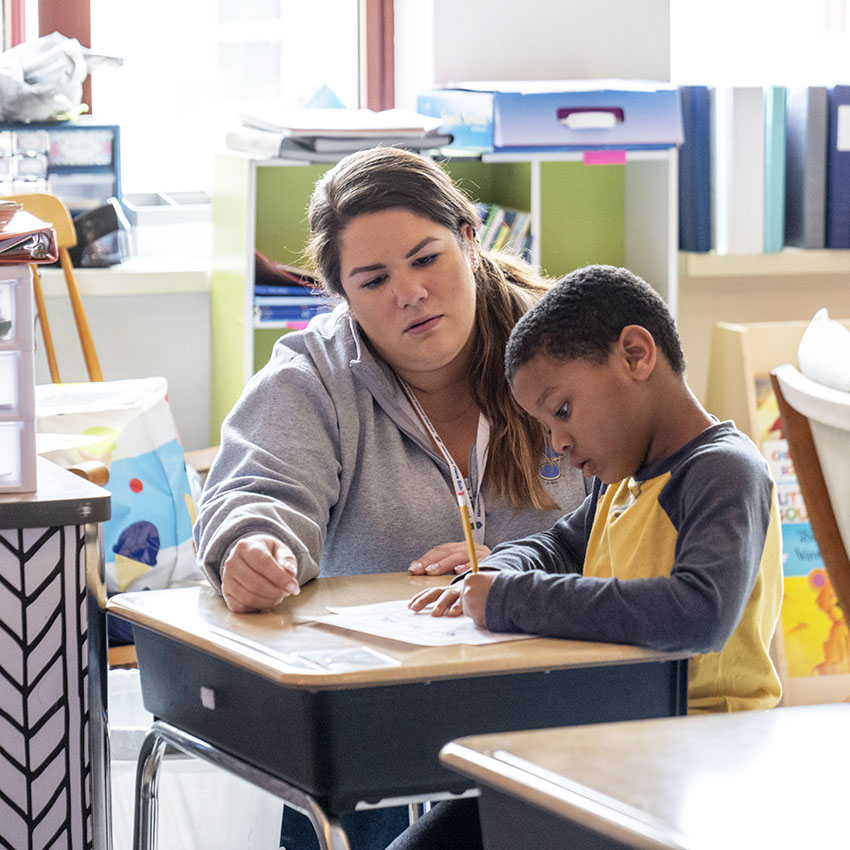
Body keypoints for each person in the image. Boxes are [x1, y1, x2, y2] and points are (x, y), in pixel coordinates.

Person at [193, 146, 587, 849]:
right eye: (373, 280)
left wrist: (523, 563)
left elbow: (648, 501)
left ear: (469, 239)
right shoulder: (315, 375)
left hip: (557, 689)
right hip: (383, 700)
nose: (408, 293)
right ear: (343, 295)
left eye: (426, 258)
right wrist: (253, 543)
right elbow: (258, 487)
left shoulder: (566, 346)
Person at [392, 264, 783, 850]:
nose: (558, 443)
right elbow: (558, 545)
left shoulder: (722, 472)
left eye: (563, 411)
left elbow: (699, 611)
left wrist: (513, 600)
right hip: (614, 748)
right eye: (547, 425)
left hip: (699, 760)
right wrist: (499, 568)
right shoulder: (621, 481)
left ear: (635, 354)